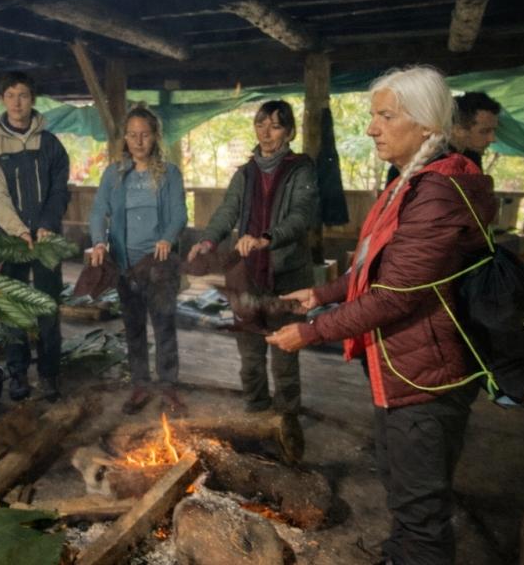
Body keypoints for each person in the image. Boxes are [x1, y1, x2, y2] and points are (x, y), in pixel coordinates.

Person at [267, 66, 496, 565]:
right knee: (400, 484)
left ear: (428, 126)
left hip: (426, 375)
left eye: (385, 115)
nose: (371, 127)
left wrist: (311, 333)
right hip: (400, 367)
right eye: (374, 115)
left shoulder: (437, 192)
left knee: (421, 507)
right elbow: (380, 270)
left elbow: (395, 297)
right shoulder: (408, 181)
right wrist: (324, 293)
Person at [187, 100, 318, 415]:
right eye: (260, 124)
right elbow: (226, 211)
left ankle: (286, 420)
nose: (266, 132)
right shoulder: (244, 173)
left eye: (275, 126)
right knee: (250, 354)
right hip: (245, 277)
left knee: (285, 353)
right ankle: (256, 410)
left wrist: (266, 238)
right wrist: (207, 241)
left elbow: (301, 216)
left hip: (287, 277)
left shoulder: (301, 168)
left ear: (288, 131)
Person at [89, 105, 188, 415]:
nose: (138, 141)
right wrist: (99, 242)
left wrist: (167, 238)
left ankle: (168, 386)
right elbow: (97, 212)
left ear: (155, 136)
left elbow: (179, 214)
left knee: (163, 325)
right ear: (125, 138)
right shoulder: (115, 173)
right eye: (132, 135)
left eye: (144, 135)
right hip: (125, 264)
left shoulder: (169, 173)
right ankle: (141, 385)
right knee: (133, 328)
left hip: (158, 265)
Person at [0, 71, 70, 402]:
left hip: (45, 237)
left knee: (48, 304)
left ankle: (49, 374)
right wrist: (17, 229)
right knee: (11, 307)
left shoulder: (50, 144)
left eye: (24, 95)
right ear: (2, 100)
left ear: (33, 99)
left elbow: (60, 189)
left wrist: (46, 223)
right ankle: (17, 373)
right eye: (11, 95)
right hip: (8, 237)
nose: (18, 102)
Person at [450, 91, 501, 168]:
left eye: (494, 130)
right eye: (484, 131)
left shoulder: (471, 156)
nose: (492, 139)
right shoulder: (440, 166)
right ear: (458, 131)